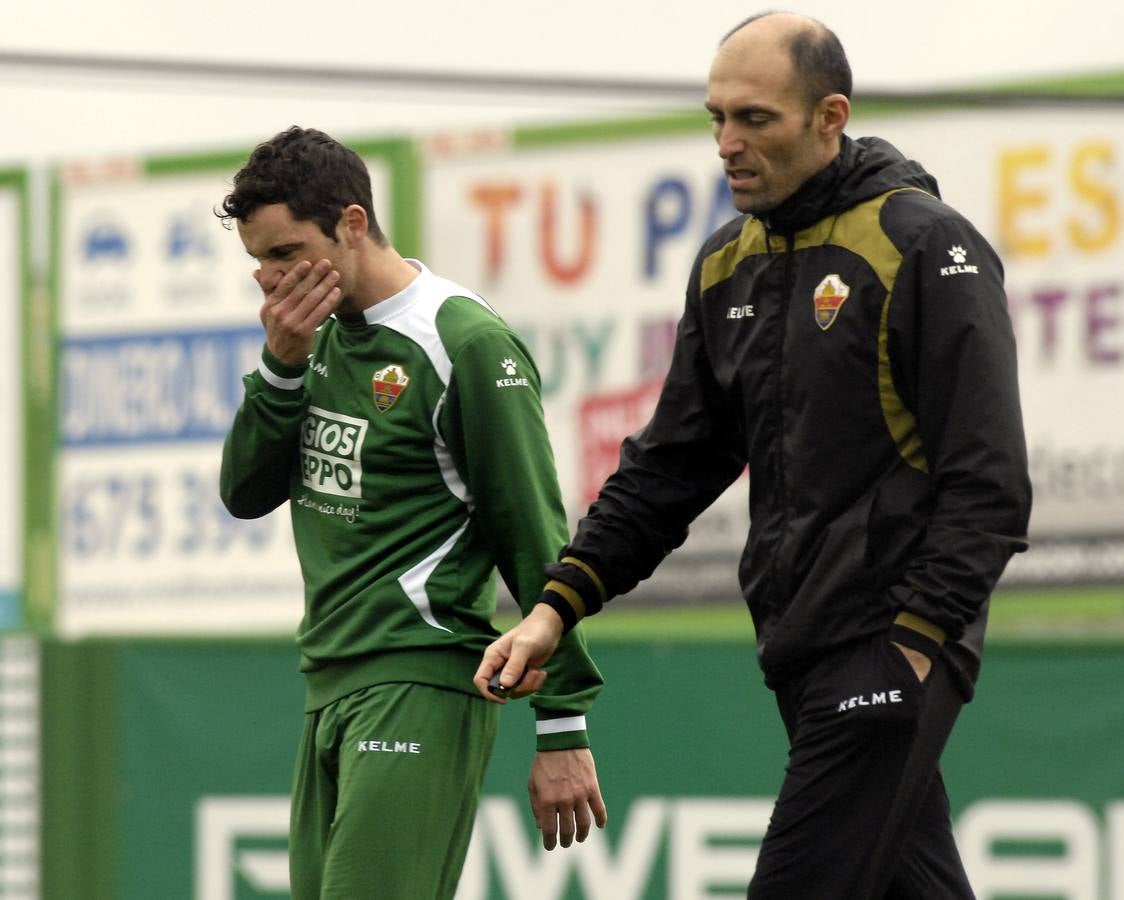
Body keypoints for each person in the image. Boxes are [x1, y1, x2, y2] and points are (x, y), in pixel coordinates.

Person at [475, 12, 1032, 899]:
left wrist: (917, 643)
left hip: (888, 644)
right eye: (715, 118)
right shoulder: (725, 265)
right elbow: (668, 468)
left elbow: (991, 482)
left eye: (754, 120)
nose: (726, 143)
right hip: (798, 649)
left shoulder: (926, 244)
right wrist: (554, 608)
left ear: (829, 116)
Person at [217, 126, 606, 900]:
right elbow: (243, 493)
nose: (270, 279)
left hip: (420, 678)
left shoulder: (464, 342)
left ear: (352, 225)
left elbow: (532, 532)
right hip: (327, 681)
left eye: (287, 252)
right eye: (259, 260)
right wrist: (279, 370)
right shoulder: (309, 339)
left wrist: (562, 723)